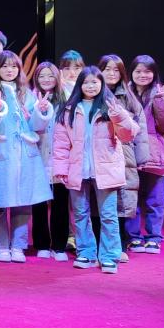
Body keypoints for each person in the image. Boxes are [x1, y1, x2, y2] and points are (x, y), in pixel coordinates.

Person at [53, 67, 138, 274]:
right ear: (79, 85)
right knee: (80, 214)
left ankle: (109, 256)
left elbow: (128, 135)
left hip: (106, 170)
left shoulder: (111, 107)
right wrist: (61, 169)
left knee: (108, 215)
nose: (90, 86)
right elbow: (61, 144)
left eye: (95, 82)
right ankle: (86, 252)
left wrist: (118, 116)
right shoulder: (69, 110)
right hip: (78, 170)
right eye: (86, 82)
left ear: (101, 84)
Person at [0, 51, 52, 263]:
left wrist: (41, 112)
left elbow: (35, 126)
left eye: (13, 66)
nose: (9, 70)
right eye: (4, 66)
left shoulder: (27, 93)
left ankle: (19, 245)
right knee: (1, 201)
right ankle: (2, 245)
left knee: (24, 201)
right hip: (0, 151)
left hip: (25, 154)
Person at [126, 55, 164, 254]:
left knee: (156, 200)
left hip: (157, 154)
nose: (143, 75)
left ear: (154, 74)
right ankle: (133, 237)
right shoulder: (125, 93)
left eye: (147, 71)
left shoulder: (160, 94)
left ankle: (154, 238)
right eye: (138, 71)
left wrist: (161, 99)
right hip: (131, 151)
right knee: (130, 198)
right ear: (131, 73)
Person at [99, 54, 150, 261]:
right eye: (107, 69)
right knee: (98, 201)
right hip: (99, 153)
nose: (111, 74)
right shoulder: (93, 91)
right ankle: (98, 245)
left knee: (121, 201)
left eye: (116, 70)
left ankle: (118, 245)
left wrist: (141, 158)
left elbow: (141, 129)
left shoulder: (128, 97)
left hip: (124, 154)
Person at [29, 62, 71, 261]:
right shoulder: (30, 98)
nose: (46, 80)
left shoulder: (67, 99)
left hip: (61, 158)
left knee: (61, 203)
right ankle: (42, 244)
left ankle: (59, 245)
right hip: (38, 156)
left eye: (50, 76)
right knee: (38, 204)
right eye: (42, 76)